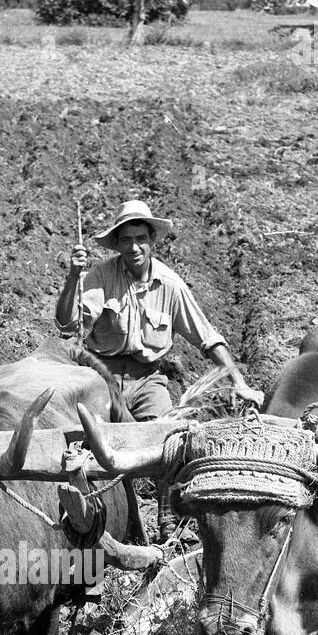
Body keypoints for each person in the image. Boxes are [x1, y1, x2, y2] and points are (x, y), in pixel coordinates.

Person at [54, 198, 260, 540]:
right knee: (83, 438)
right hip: (99, 375)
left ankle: (168, 519)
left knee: (170, 433)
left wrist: (238, 381)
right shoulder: (100, 276)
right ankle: (92, 521)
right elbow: (67, 324)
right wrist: (74, 277)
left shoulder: (170, 285)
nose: (134, 247)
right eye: (125, 240)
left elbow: (207, 338)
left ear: (152, 241)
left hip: (147, 376)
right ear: (117, 244)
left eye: (140, 239)